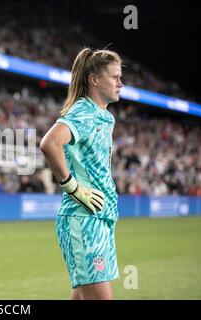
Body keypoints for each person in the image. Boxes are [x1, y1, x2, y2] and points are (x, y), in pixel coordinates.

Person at [40, 47, 123, 300]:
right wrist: (72, 187)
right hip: (83, 220)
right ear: (94, 79)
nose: (120, 83)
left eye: (120, 77)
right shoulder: (84, 112)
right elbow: (50, 143)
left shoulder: (103, 116)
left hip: (100, 219)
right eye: (114, 77)